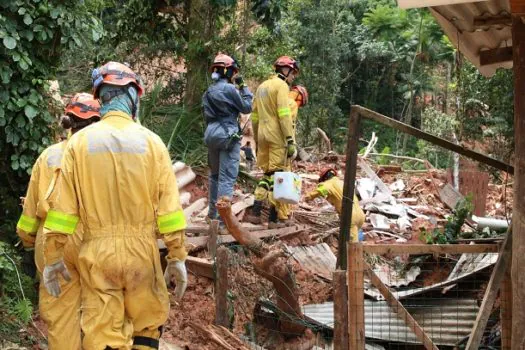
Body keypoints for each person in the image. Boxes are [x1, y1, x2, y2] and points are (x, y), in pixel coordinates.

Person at [42, 61, 188, 350]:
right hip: (142, 255)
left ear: (100, 97)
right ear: (134, 96)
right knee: (147, 326)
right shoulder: (153, 143)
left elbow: (63, 211)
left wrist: (53, 255)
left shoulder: (78, 144)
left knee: (103, 335)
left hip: (98, 255)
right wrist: (176, 255)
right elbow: (170, 211)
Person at [16, 93, 101, 350]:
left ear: (68, 122)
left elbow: (30, 210)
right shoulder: (105, 159)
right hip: (94, 240)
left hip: (53, 240)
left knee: (61, 315)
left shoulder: (49, 156)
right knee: (100, 311)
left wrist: (28, 239)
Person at [244, 56, 299, 228]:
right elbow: (284, 115)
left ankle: (255, 212)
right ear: (285, 70)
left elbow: (254, 116)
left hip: (262, 134)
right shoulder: (281, 86)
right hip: (277, 136)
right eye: (292, 73)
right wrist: (290, 140)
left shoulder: (261, 86)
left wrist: (257, 139)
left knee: (267, 175)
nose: (293, 77)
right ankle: (273, 220)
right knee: (278, 177)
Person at [203, 53, 253, 226]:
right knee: (227, 178)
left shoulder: (209, 90)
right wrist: (244, 88)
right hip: (228, 134)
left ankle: (212, 215)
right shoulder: (230, 89)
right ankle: (223, 221)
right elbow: (247, 107)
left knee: (215, 176)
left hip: (211, 133)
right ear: (228, 71)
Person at [269, 85, 309, 225]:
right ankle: (283, 216)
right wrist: (291, 144)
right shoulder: (291, 104)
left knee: (272, 178)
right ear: (298, 96)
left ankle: (271, 217)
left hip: (271, 144)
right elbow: (287, 124)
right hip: (283, 146)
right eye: (300, 102)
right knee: (285, 180)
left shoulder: (278, 100)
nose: (299, 105)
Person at [305, 168, 365, 242]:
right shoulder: (342, 183)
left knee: (352, 244)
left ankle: (351, 252)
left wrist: (308, 197)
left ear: (325, 178)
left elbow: (321, 190)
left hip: (350, 216)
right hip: (360, 215)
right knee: (354, 237)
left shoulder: (329, 183)